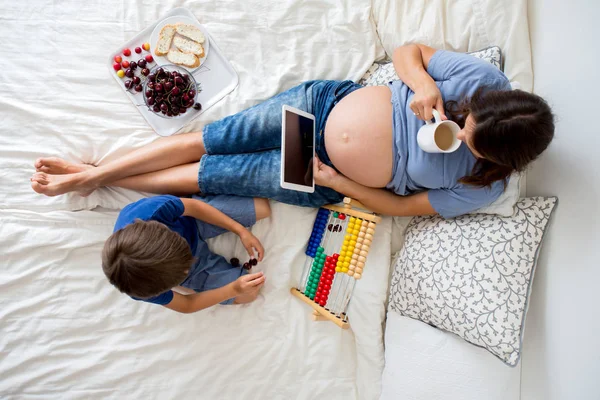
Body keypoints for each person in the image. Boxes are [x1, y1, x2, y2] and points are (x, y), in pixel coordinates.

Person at [30, 43, 555, 218]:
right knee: (208, 140)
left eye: (471, 145)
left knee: (206, 174)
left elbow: (398, 208)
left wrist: (335, 178)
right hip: (321, 107)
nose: (460, 135)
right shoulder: (484, 80)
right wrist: (420, 85)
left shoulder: (484, 187)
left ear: (502, 160)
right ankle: (90, 178)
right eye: (466, 124)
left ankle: (93, 179)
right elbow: (407, 52)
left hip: (323, 174)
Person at [102, 194, 270, 313]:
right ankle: (192, 283)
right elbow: (187, 305)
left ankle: (194, 280)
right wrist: (232, 289)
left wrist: (240, 231)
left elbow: (194, 207)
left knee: (262, 208)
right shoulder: (139, 288)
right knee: (249, 295)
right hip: (177, 269)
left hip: (193, 222)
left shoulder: (153, 210)